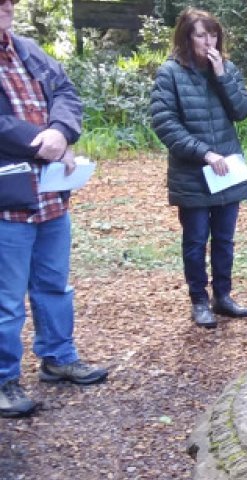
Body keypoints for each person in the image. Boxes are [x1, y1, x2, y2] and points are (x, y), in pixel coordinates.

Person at [0, 0, 108, 418]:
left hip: (50, 199)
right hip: (7, 207)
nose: (6, 5)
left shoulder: (27, 50)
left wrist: (61, 132)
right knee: (6, 302)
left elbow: (65, 91)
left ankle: (58, 358)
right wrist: (38, 140)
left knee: (54, 286)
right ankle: (4, 379)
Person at [150, 7, 247, 329]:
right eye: (200, 34)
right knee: (196, 240)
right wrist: (204, 153)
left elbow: (242, 111)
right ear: (186, 37)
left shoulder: (226, 68)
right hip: (193, 172)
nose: (208, 40)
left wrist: (222, 75)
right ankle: (199, 300)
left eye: (213, 34)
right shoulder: (169, 73)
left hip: (228, 171)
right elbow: (164, 123)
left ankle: (223, 296)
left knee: (224, 239)